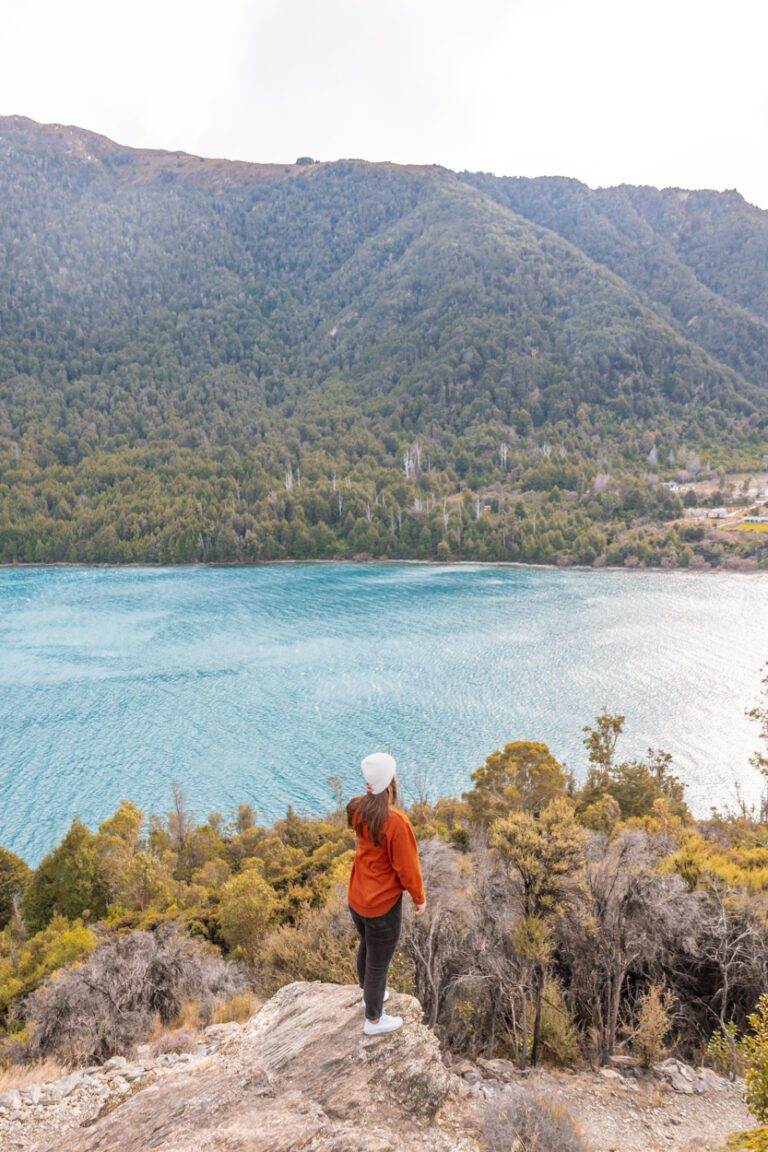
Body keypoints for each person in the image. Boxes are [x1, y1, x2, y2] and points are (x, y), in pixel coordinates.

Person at [346, 751, 427, 1035]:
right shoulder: (396, 822)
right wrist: (419, 898)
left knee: (367, 946)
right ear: (391, 782)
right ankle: (374, 1019)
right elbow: (408, 868)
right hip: (382, 905)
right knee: (379, 960)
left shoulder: (357, 808)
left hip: (357, 898)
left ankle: (370, 993)